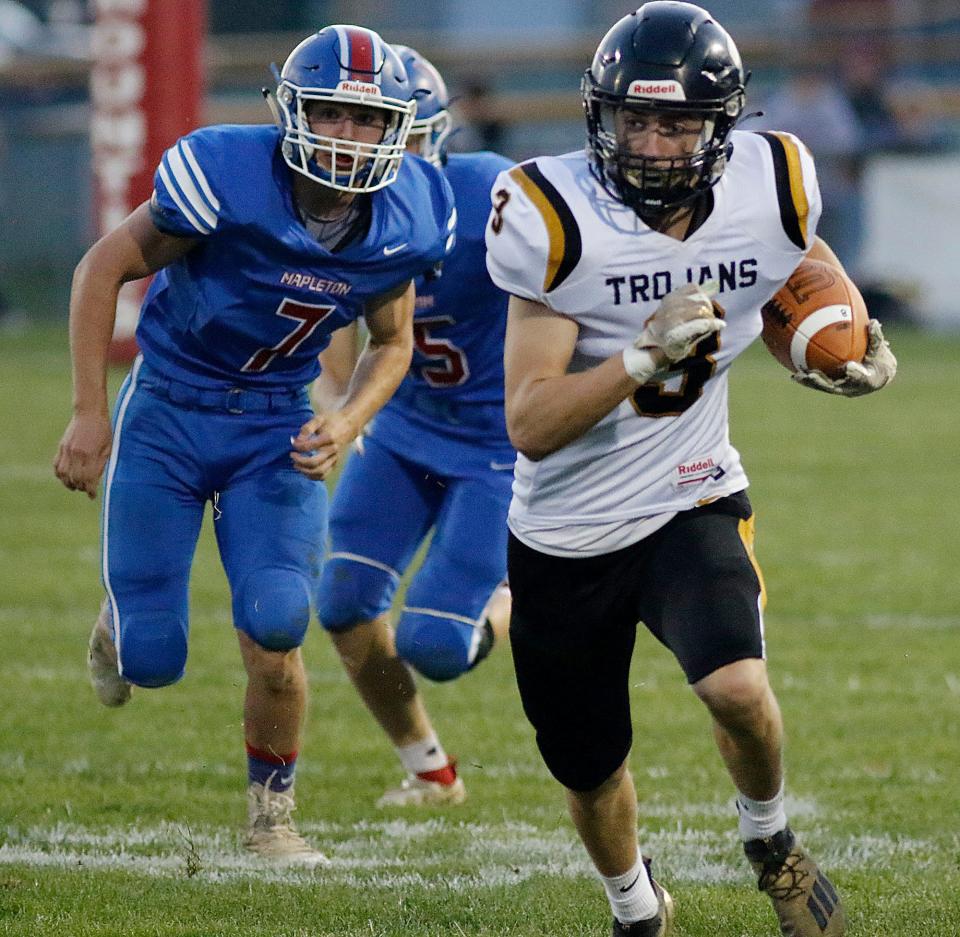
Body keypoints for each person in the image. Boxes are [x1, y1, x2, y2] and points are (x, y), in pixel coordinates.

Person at [484, 4, 896, 936]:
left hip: (691, 490)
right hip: (565, 533)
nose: (653, 143)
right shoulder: (555, 218)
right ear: (602, 116)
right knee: (589, 768)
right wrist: (637, 360)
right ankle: (637, 905)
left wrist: (839, 334)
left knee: (737, 689)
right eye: (635, 119)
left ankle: (773, 842)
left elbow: (793, 258)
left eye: (676, 123)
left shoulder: (777, 181)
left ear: (721, 128)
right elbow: (530, 423)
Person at [53, 24, 455, 865]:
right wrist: (90, 409)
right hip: (168, 409)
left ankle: (271, 818)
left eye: (367, 119)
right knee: (153, 656)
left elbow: (392, 342)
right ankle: (120, 621)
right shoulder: (227, 175)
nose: (348, 136)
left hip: (276, 420)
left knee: (278, 622)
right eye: (332, 114)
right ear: (293, 110)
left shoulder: (409, 215)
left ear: (396, 127)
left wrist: (345, 419)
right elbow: (104, 265)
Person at [314, 44, 514, 807]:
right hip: (403, 430)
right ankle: (431, 772)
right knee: (341, 602)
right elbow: (335, 323)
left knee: (436, 643)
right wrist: (344, 411)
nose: (362, 152)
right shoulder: (334, 208)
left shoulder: (493, 197)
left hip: (495, 445)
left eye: (381, 130)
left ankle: (536, 578)